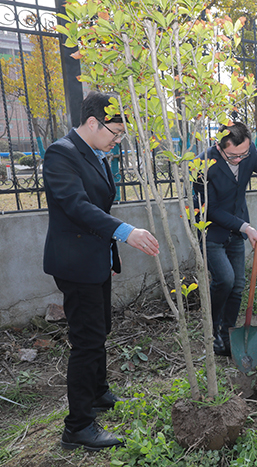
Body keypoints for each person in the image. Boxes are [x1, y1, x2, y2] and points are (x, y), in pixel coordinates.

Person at [43, 92, 160, 450]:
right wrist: (126, 232)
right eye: (115, 133)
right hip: (76, 263)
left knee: (100, 328)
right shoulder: (61, 154)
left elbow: (98, 201)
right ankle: (78, 426)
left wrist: (109, 250)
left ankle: (98, 393)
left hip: (95, 259)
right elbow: (77, 207)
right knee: (87, 341)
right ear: (92, 123)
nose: (117, 140)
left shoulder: (96, 154)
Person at [196, 122, 257, 357]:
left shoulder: (248, 151)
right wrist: (246, 227)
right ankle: (211, 332)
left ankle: (227, 335)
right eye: (233, 156)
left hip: (237, 230)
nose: (240, 159)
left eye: (244, 154)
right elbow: (209, 210)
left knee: (236, 286)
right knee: (224, 279)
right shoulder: (203, 164)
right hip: (212, 231)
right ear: (219, 146)